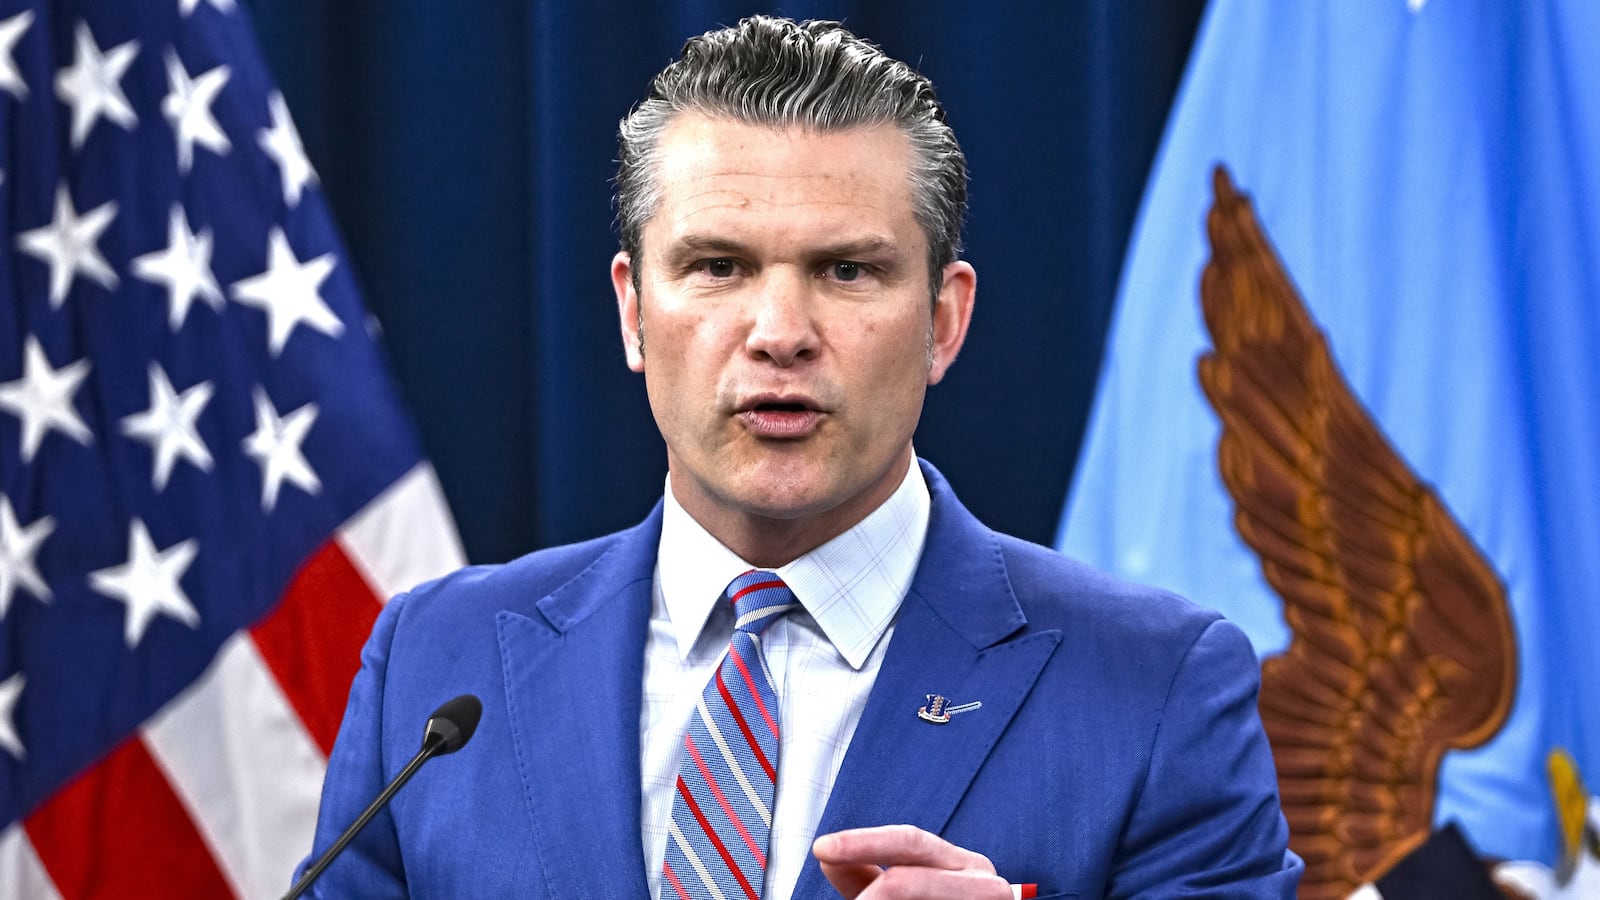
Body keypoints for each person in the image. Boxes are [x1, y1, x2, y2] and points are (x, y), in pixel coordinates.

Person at [298, 15, 1302, 899]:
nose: (779, 330)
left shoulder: (1158, 686)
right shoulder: (435, 665)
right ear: (633, 311)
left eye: (847, 270)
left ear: (944, 322)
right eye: (717, 266)